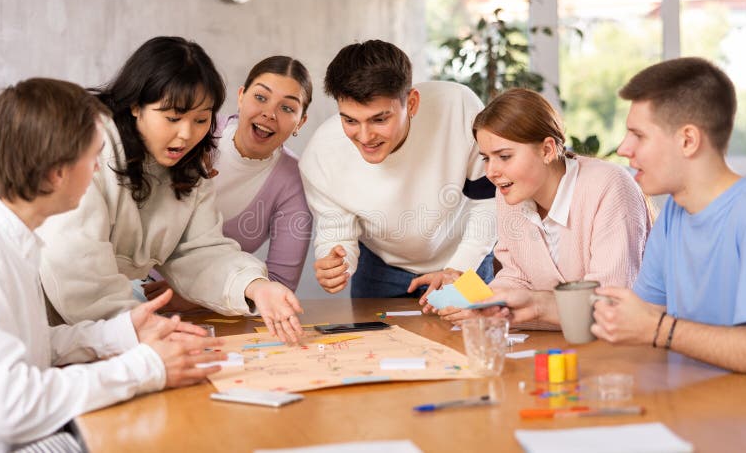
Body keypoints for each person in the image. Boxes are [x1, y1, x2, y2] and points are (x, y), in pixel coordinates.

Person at [0, 78, 225, 451]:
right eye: (93, 157)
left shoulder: (12, 241)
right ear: (57, 172)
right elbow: (8, 409)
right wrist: (148, 367)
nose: (98, 171)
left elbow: (32, 345)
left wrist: (122, 332)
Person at [37, 37, 304, 343]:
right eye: (173, 118)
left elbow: (199, 249)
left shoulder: (190, 165)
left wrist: (255, 285)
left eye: (201, 119)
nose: (187, 133)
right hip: (40, 314)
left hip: (102, 325)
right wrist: (144, 329)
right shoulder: (90, 148)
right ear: (136, 105)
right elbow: (74, 263)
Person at [591, 57, 746, 376]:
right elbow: (643, 315)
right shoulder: (675, 210)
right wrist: (537, 305)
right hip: (694, 404)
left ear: (688, 140)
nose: (623, 148)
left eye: (638, 135)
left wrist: (661, 331)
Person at [429, 88, 651, 327]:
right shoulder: (510, 193)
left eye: (504, 156)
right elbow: (517, 277)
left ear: (546, 150)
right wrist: (479, 304)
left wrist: (534, 305)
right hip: (560, 341)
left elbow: (609, 300)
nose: (491, 172)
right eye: (486, 158)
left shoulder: (609, 185)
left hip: (623, 345)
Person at [299, 39, 497, 298]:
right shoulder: (321, 155)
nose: (365, 136)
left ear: (412, 103)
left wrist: (459, 269)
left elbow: (488, 200)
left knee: (474, 336)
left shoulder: (458, 108)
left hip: (466, 258)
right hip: (380, 270)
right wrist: (337, 263)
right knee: (380, 339)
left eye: (379, 119)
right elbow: (337, 233)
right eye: (350, 120)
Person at [143, 56, 313, 308]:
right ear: (241, 96)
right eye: (261, 97)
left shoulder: (294, 182)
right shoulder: (194, 133)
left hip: (209, 307)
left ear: (300, 122)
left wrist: (193, 298)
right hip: (129, 284)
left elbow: (279, 287)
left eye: (287, 108)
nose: (269, 113)